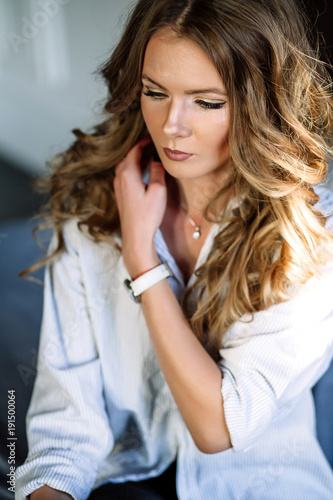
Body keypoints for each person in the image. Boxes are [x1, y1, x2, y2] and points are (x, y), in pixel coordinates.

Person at [15, 0, 333, 498]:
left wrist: (142, 262)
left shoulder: (312, 236)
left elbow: (220, 427)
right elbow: (65, 432)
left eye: (206, 102)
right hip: (123, 478)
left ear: (261, 104)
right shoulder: (95, 214)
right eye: (155, 92)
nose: (171, 126)